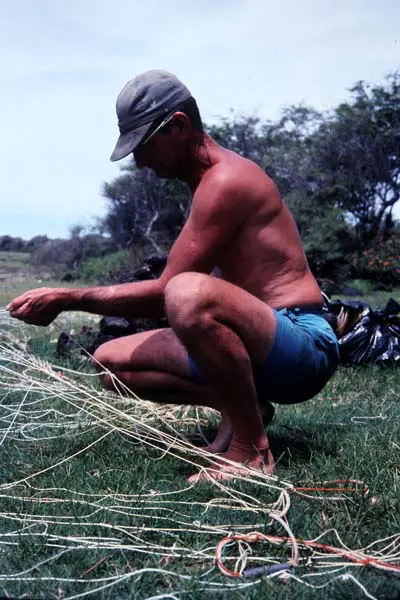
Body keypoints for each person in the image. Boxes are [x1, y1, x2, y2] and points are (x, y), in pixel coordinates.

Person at [7, 70, 339, 482]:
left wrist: (67, 298)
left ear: (179, 126)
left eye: (144, 145)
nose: (140, 162)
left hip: (302, 345)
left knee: (185, 292)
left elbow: (165, 293)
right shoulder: (204, 183)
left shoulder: (226, 180)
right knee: (111, 363)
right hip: (259, 343)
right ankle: (244, 410)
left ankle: (252, 451)